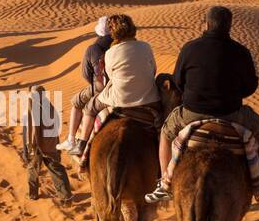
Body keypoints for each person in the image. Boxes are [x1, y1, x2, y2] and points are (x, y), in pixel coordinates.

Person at [148, 5, 259, 200]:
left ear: (206, 24)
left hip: (192, 112)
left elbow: (178, 81)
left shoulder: (190, 48)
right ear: (229, 26)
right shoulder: (240, 52)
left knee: (166, 133)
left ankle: (165, 183)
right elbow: (250, 87)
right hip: (231, 113)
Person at [66, 15, 158, 157]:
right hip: (149, 96)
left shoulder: (109, 53)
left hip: (120, 97)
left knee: (90, 108)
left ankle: (81, 144)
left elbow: (110, 77)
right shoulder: (146, 47)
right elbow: (153, 70)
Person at [57, 16, 111, 153]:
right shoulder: (118, 45)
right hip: (124, 85)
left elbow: (86, 74)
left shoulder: (93, 48)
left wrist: (94, 85)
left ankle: (72, 140)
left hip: (101, 86)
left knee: (76, 102)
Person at [22, 87, 71, 203]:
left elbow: (29, 132)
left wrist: (26, 149)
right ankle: (66, 196)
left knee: (32, 169)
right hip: (50, 145)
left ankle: (32, 194)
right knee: (56, 169)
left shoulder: (31, 110)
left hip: (36, 147)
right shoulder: (50, 108)